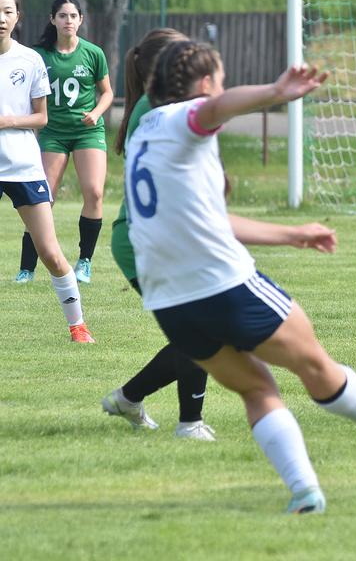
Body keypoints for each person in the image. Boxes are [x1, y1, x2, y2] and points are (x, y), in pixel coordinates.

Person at [126, 40, 356, 513]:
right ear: (203, 85)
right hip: (223, 285)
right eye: (217, 79)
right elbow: (216, 107)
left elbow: (212, 219)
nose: (218, 91)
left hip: (170, 303)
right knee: (315, 364)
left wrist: (292, 234)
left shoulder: (144, 134)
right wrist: (276, 91)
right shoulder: (187, 118)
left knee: (257, 389)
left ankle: (304, 492)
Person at [102, 28, 214, 440]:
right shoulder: (156, 108)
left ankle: (133, 401)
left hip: (155, 240)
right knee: (200, 333)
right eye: (185, 55)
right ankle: (186, 422)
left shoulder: (162, 104)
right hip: (145, 243)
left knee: (200, 331)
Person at [0, 0, 94, 343]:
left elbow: (42, 117)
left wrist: (9, 121)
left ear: (17, 16)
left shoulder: (30, 60)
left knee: (51, 253)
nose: (2, 17)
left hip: (23, 166)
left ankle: (78, 326)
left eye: (7, 11)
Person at [16, 0, 112, 284]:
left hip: (87, 131)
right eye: (62, 16)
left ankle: (84, 262)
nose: (68, 21)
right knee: (43, 198)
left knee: (94, 192)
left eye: (73, 16)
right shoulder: (39, 56)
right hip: (53, 134)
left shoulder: (94, 53)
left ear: (80, 20)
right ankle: (27, 268)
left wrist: (96, 113)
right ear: (52, 19)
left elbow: (107, 92)